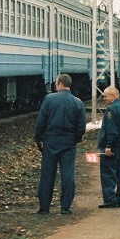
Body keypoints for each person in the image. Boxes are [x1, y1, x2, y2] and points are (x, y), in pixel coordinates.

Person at [33, 73, 87, 215]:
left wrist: (38, 139)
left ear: (60, 84)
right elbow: (81, 126)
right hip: (68, 142)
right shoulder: (78, 102)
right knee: (68, 174)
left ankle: (44, 207)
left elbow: (41, 121)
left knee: (47, 174)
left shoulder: (49, 99)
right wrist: (76, 138)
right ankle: (65, 206)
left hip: (50, 141)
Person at [97, 85, 120, 208]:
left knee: (108, 173)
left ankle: (110, 200)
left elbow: (111, 130)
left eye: (105, 96)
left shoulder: (111, 109)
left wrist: (108, 145)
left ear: (113, 96)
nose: (104, 98)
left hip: (113, 146)